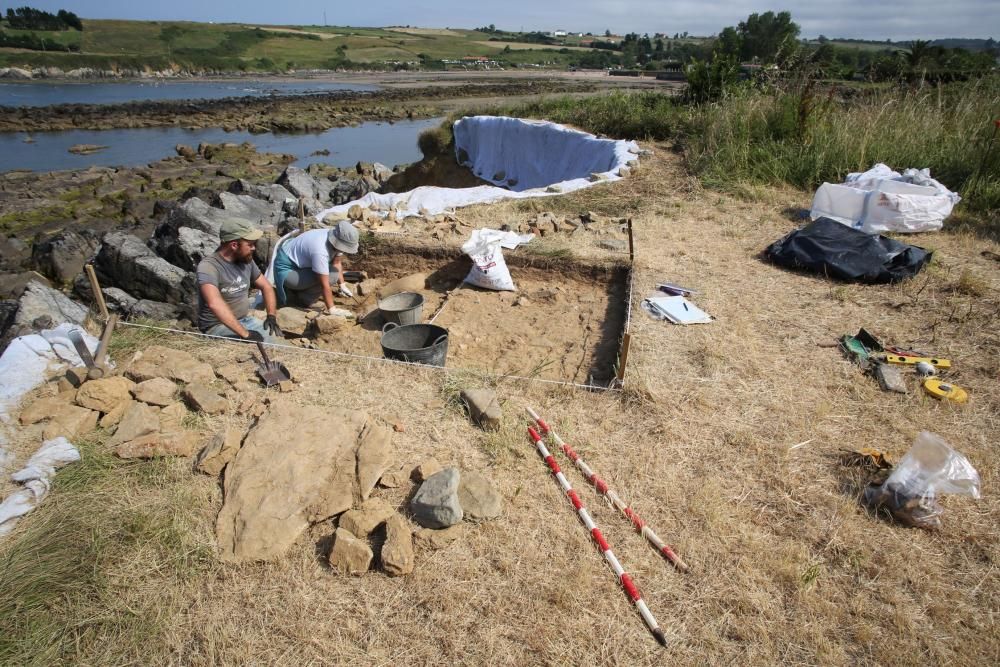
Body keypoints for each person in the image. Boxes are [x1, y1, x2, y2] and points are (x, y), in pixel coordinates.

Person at [197, 219, 283, 343]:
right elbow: (214, 303)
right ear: (234, 245)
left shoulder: (246, 260)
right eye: (250, 244)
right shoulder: (209, 267)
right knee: (268, 345)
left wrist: (271, 316)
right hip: (217, 327)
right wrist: (245, 334)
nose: (254, 248)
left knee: (279, 342)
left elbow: (266, 287)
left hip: (245, 320)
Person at [272, 221, 359, 313]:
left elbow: (337, 263)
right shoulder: (320, 249)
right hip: (287, 271)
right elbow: (324, 284)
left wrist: (342, 284)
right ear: (338, 242)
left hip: (301, 266)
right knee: (331, 275)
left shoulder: (335, 237)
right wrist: (332, 309)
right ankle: (306, 299)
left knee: (332, 272)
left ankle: (301, 290)